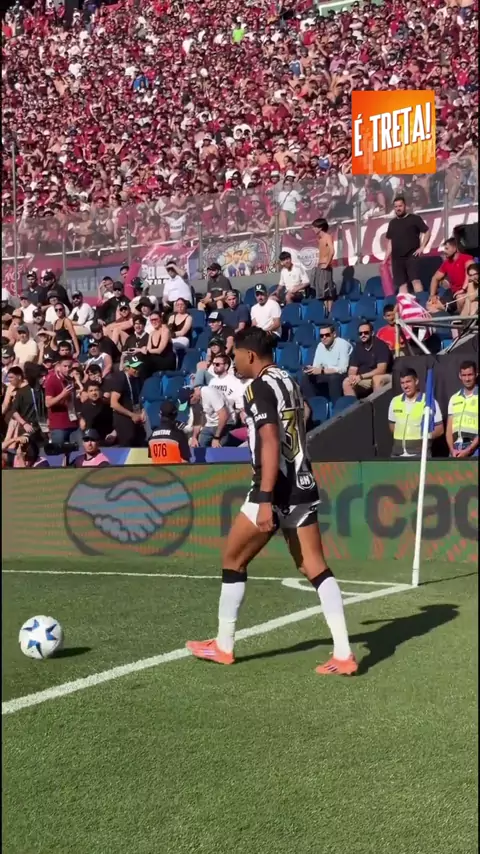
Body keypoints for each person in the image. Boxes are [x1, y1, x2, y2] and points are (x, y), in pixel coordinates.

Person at [186, 328, 357, 674]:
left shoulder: (258, 387)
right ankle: (343, 653)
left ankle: (223, 645)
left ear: (249, 355)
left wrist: (265, 497)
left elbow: (269, 439)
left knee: (233, 558)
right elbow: (301, 417)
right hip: (302, 482)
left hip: (274, 486)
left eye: (235, 354)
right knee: (314, 566)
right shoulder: (288, 380)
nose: (232, 361)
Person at [388, 367, 443, 458]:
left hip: (420, 456)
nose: (405, 386)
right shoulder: (395, 401)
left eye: (408, 381)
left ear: (416, 381)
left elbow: (440, 429)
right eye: (402, 383)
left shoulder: (429, 402)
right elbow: (392, 427)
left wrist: (425, 437)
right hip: (397, 455)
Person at [384, 197, 430, 294]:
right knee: (402, 284)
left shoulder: (414, 219)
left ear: (405, 206)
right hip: (397, 259)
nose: (398, 208)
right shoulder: (392, 223)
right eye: (396, 207)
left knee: (415, 280)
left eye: (400, 206)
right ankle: (404, 303)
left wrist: (422, 247)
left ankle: (421, 301)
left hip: (412, 256)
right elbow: (390, 242)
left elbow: (427, 232)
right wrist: (385, 258)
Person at [301, 325, 352, 404]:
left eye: (327, 335)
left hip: (342, 375)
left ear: (334, 334)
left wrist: (322, 371)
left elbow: (343, 369)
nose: (324, 337)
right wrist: (311, 369)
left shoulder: (342, 344)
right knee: (306, 377)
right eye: (321, 336)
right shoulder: (320, 346)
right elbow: (316, 366)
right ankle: (313, 405)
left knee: (334, 378)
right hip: (326, 374)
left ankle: (337, 406)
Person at [343, 322, 392, 399]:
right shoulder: (358, 347)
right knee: (347, 382)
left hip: (384, 376)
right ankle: (353, 405)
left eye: (366, 333)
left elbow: (381, 370)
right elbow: (353, 368)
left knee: (377, 379)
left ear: (372, 333)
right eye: (360, 333)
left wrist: (361, 376)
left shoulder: (381, 346)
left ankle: (377, 405)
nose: (363, 335)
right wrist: (352, 376)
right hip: (363, 378)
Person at [180, 382, 234, 448]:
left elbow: (224, 415)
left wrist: (216, 438)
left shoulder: (209, 393)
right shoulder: (195, 401)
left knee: (217, 447)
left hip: (225, 423)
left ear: (192, 396)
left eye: (188, 403)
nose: (189, 405)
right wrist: (194, 437)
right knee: (198, 445)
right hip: (210, 425)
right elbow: (197, 421)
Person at [109, 355, 147, 447]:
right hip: (123, 418)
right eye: (134, 368)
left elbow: (140, 397)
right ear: (127, 367)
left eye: (139, 367)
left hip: (136, 415)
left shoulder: (138, 378)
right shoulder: (120, 378)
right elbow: (113, 403)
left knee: (141, 441)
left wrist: (142, 411)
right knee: (128, 442)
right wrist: (132, 415)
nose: (137, 370)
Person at [429, 239, 473, 313]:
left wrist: (463, 289)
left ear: (455, 248)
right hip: (453, 294)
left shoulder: (466, 258)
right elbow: (435, 278)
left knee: (460, 298)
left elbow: (470, 273)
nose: (444, 251)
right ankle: (450, 310)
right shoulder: (446, 263)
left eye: (447, 248)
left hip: (467, 292)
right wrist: (432, 296)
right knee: (431, 304)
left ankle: (461, 317)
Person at [446, 361, 478, 458]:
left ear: (476, 374)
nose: (467, 379)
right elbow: (449, 430)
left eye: (470, 375)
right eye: (464, 375)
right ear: (460, 376)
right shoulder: (454, 398)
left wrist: (469, 450)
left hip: (475, 449)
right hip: (455, 449)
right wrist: (452, 450)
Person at [44, 357, 79, 444]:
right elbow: (48, 403)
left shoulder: (71, 380)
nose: (67, 369)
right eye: (65, 366)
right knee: (59, 449)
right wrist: (62, 395)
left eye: (69, 366)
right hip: (58, 425)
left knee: (80, 447)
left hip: (73, 423)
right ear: (59, 366)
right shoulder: (52, 380)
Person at [311, 218, 336, 313]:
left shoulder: (327, 237)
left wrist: (327, 263)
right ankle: (325, 313)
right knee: (322, 292)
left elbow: (332, 251)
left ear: (320, 227)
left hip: (325, 266)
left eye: (314, 227)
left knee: (328, 291)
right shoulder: (320, 239)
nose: (313, 229)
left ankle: (330, 312)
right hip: (320, 266)